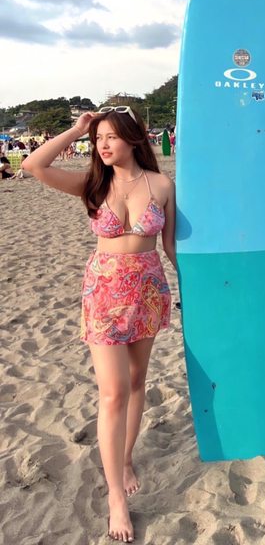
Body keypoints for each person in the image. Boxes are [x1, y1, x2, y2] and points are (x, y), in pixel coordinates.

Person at [22, 107, 176, 542]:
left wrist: (196, 288)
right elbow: (34, 165)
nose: (102, 145)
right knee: (113, 392)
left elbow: (169, 247)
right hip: (104, 291)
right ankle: (115, 498)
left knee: (137, 381)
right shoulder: (93, 183)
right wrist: (76, 130)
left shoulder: (162, 185)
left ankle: (125, 459)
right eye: (98, 139)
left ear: (133, 138)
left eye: (110, 137)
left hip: (147, 289)